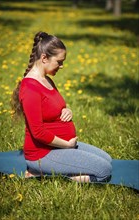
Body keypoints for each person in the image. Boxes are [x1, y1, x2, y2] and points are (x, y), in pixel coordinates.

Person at [12, 31, 112, 183]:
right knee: (104, 171)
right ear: (44, 58)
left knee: (107, 159)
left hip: (60, 146)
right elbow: (38, 132)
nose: (62, 66)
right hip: (43, 153)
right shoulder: (30, 88)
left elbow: (56, 106)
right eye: (59, 61)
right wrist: (67, 145)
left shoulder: (47, 80)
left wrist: (66, 110)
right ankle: (40, 172)